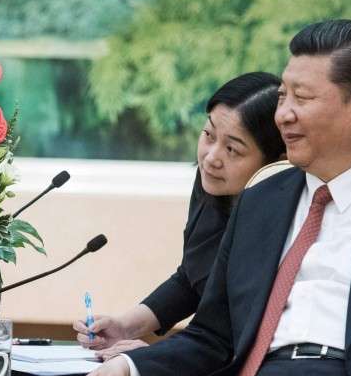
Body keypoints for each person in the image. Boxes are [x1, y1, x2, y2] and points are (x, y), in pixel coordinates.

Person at [69, 19, 351, 376]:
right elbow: (213, 336)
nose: (284, 114)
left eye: (302, 98)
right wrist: (130, 366)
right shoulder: (261, 201)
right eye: (282, 97)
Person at [75, 72, 286, 359]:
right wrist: (125, 327)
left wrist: (155, 357)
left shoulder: (279, 221)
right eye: (208, 135)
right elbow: (191, 278)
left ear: (275, 160)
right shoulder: (211, 182)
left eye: (232, 149)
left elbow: (229, 334)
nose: (211, 157)